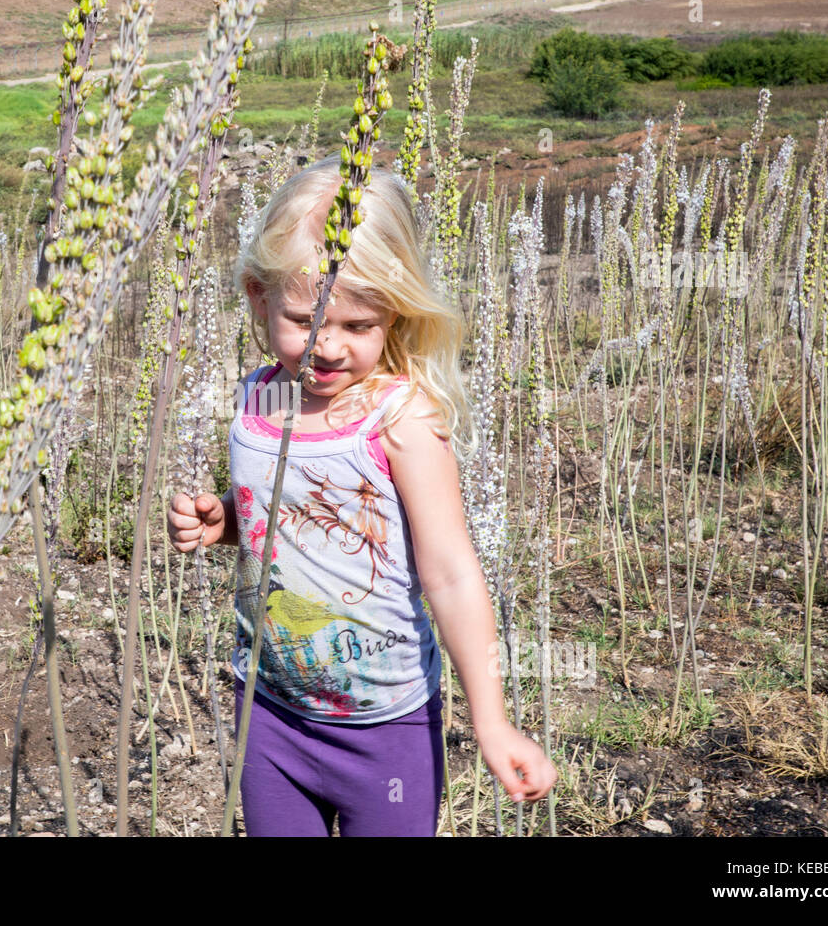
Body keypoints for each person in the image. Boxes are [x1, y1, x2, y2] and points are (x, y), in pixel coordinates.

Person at [167, 153, 556, 836]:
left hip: (386, 728)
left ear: (394, 318)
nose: (328, 348)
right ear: (258, 296)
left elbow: (452, 572)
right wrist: (223, 522)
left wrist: (491, 722)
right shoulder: (262, 394)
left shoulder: (399, 418)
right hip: (269, 713)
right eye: (303, 320)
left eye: (358, 327)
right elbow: (276, 519)